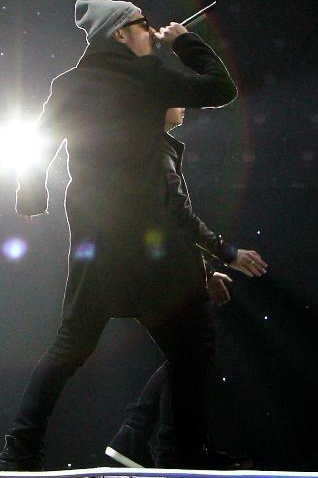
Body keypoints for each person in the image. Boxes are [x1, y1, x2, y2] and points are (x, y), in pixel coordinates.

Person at [0, 0, 239, 470]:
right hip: (153, 244)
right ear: (121, 34)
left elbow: (39, 138)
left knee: (70, 347)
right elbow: (221, 88)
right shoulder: (146, 78)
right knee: (190, 348)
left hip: (97, 239)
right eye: (142, 24)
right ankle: (181, 453)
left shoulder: (71, 83)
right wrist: (186, 42)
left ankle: (19, 451)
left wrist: (31, 194)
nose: (150, 30)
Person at [104, 107, 267, 469]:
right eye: (177, 98)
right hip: (157, 273)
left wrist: (204, 272)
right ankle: (169, 447)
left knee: (187, 355)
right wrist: (224, 255)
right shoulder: (154, 150)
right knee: (194, 350)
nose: (184, 107)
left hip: (154, 270)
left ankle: (153, 443)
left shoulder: (149, 146)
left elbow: (164, 224)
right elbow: (175, 217)